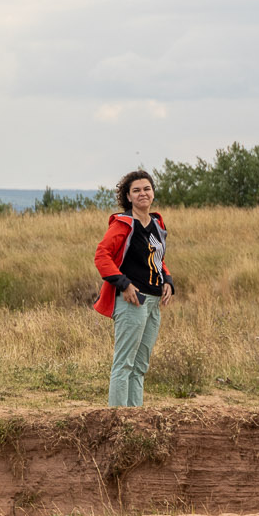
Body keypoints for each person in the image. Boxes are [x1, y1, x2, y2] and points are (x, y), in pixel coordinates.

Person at [92, 169, 175, 407]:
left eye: (146, 189)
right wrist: (124, 284)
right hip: (132, 300)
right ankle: (117, 421)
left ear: (153, 192)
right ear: (128, 197)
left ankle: (136, 420)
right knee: (124, 363)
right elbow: (102, 256)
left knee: (140, 366)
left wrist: (167, 280)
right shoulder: (123, 224)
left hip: (153, 302)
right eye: (136, 190)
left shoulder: (157, 223)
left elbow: (157, 258)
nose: (142, 194)